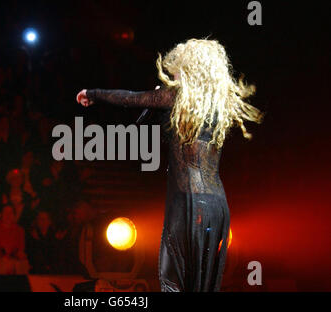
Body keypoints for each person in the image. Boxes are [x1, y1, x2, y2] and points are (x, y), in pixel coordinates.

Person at [76, 39, 264, 292]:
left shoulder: (175, 98)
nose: (172, 73)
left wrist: (92, 94)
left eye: (177, 68)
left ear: (188, 69)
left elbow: (130, 98)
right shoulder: (219, 106)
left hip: (187, 203)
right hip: (217, 206)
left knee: (172, 282)